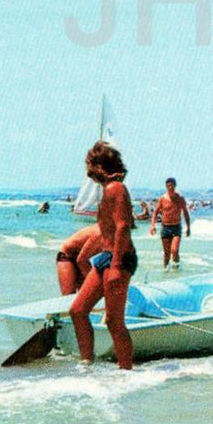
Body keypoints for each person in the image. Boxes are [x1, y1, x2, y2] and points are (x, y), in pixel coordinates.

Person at [70, 141, 137, 369]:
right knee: (78, 310)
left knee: (114, 322)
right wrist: (84, 257)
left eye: (89, 164)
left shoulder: (116, 189)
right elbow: (105, 231)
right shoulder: (108, 189)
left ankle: (126, 371)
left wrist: (117, 266)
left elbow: (122, 227)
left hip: (119, 258)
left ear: (99, 165)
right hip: (106, 257)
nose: (87, 170)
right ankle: (86, 364)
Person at [150, 177, 192, 269]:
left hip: (176, 227)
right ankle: (165, 272)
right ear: (166, 187)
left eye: (172, 186)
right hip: (165, 228)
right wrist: (153, 226)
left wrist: (188, 227)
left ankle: (176, 269)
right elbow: (156, 212)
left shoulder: (180, 198)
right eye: (168, 186)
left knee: (175, 251)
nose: (170, 188)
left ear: (175, 186)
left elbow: (185, 212)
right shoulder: (162, 199)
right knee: (167, 254)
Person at [55, 224, 101, 295]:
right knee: (68, 297)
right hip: (67, 257)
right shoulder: (99, 233)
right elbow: (82, 260)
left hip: (82, 259)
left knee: (86, 297)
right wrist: (92, 280)